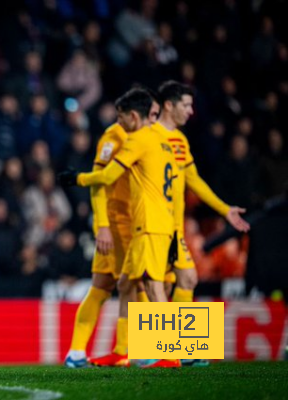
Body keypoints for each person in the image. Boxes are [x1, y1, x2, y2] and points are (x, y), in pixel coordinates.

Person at [59, 88, 181, 367]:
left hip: (148, 224)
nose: (154, 118)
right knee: (122, 283)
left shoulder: (145, 138)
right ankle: (121, 350)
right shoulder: (127, 136)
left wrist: (76, 179)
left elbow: (108, 176)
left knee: (157, 284)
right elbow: (104, 182)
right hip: (132, 225)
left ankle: (169, 352)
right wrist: (102, 225)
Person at [151, 80, 250, 367]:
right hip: (152, 226)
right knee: (151, 286)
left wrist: (224, 209)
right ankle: (155, 351)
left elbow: (193, 179)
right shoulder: (148, 137)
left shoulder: (180, 140)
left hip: (173, 228)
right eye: (186, 105)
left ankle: (182, 349)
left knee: (187, 279)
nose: (191, 111)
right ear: (168, 106)